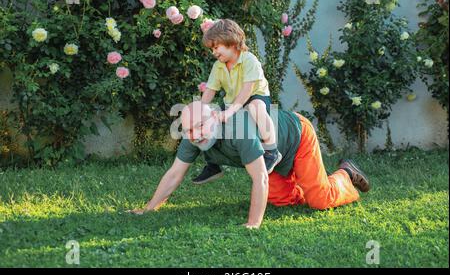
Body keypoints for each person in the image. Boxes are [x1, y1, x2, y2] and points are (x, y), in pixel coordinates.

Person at [128, 101, 370, 229]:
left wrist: (253, 223)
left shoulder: (239, 129)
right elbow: (174, 173)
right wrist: (149, 209)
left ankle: (344, 174)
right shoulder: (194, 135)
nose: (194, 134)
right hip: (273, 156)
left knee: (319, 199)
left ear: (214, 117)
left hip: (297, 137)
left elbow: (260, 178)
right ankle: (306, 182)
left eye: (200, 126)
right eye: (189, 129)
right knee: (283, 200)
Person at [193, 19, 282, 185]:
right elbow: (210, 91)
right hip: (232, 99)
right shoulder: (218, 66)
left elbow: (247, 90)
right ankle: (212, 164)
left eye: (216, 47)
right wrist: (201, 111)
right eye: (212, 49)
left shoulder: (249, 60)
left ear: (231, 42)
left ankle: (272, 150)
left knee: (256, 108)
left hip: (255, 95)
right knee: (209, 118)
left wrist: (229, 112)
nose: (214, 52)